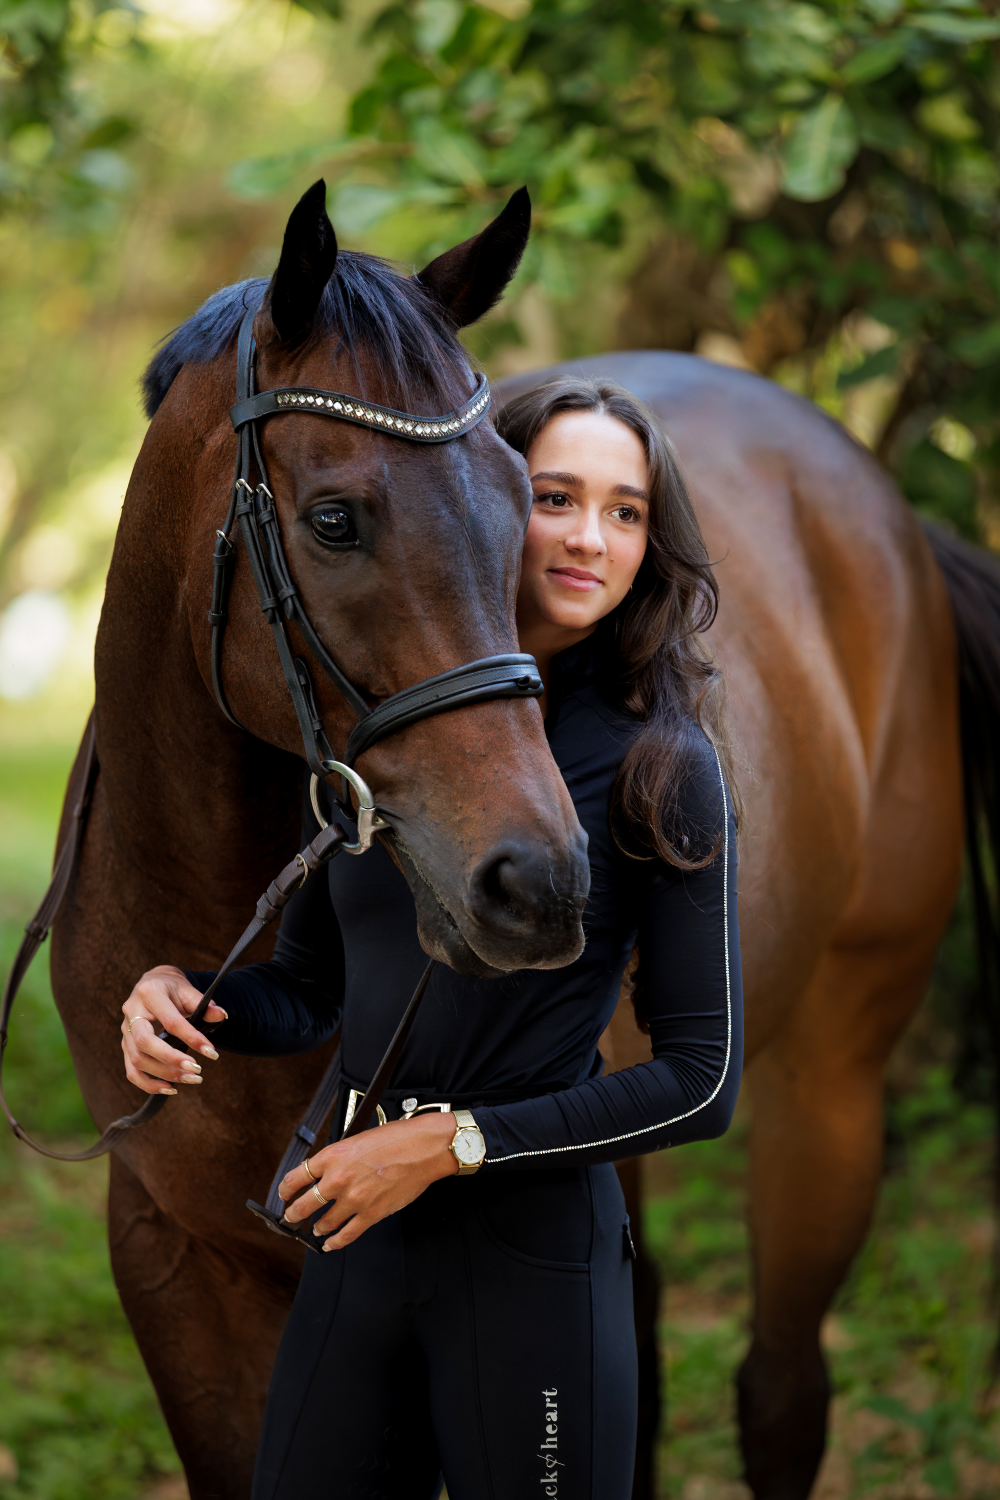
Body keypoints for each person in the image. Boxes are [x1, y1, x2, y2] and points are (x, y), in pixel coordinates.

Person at [120, 377, 744, 1500]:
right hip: (355, 1238)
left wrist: (448, 1145)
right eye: (556, 497)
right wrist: (187, 996)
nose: (589, 539)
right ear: (487, 499)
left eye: (626, 511)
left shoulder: (663, 765)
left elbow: (702, 1082)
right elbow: (310, 992)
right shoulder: (383, 738)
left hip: (530, 1257)